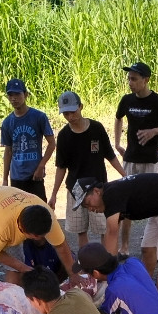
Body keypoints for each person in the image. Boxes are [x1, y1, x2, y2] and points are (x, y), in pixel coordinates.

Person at [74, 170, 158, 297]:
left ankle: (157, 301)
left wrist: (106, 271)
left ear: (97, 191)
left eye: (88, 203)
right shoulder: (109, 196)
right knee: (147, 249)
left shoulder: (110, 195)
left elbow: (112, 232)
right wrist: (109, 269)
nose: (90, 209)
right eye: (85, 208)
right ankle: (144, 290)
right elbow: (112, 235)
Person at [49, 93, 124, 256]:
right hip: (75, 189)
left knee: (103, 228)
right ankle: (86, 263)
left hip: (98, 188)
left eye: (73, 112)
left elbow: (110, 155)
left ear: (81, 107)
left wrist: (125, 175)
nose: (70, 116)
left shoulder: (96, 128)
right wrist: (54, 194)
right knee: (80, 230)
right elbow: (61, 167)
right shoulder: (63, 136)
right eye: (66, 114)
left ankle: (105, 260)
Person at [0, 186, 75, 286]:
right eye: (38, 237)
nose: (43, 240)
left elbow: (61, 246)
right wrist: (24, 268)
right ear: (25, 232)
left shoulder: (47, 215)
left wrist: (74, 274)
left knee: (15, 267)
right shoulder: (3, 227)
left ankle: (12, 304)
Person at [113, 65, 158, 254]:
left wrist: (154, 131)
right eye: (129, 78)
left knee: (156, 203)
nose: (130, 83)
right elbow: (118, 118)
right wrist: (117, 142)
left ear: (146, 80)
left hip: (152, 159)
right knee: (126, 204)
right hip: (130, 158)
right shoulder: (126, 100)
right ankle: (124, 247)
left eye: (134, 79)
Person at [1, 81, 55, 191]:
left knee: (39, 207)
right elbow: (8, 150)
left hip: (35, 175)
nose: (14, 99)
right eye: (11, 95)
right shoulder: (7, 122)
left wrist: (41, 166)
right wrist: (5, 179)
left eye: (17, 94)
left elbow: (52, 143)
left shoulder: (39, 117)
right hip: (16, 176)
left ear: (25, 95)